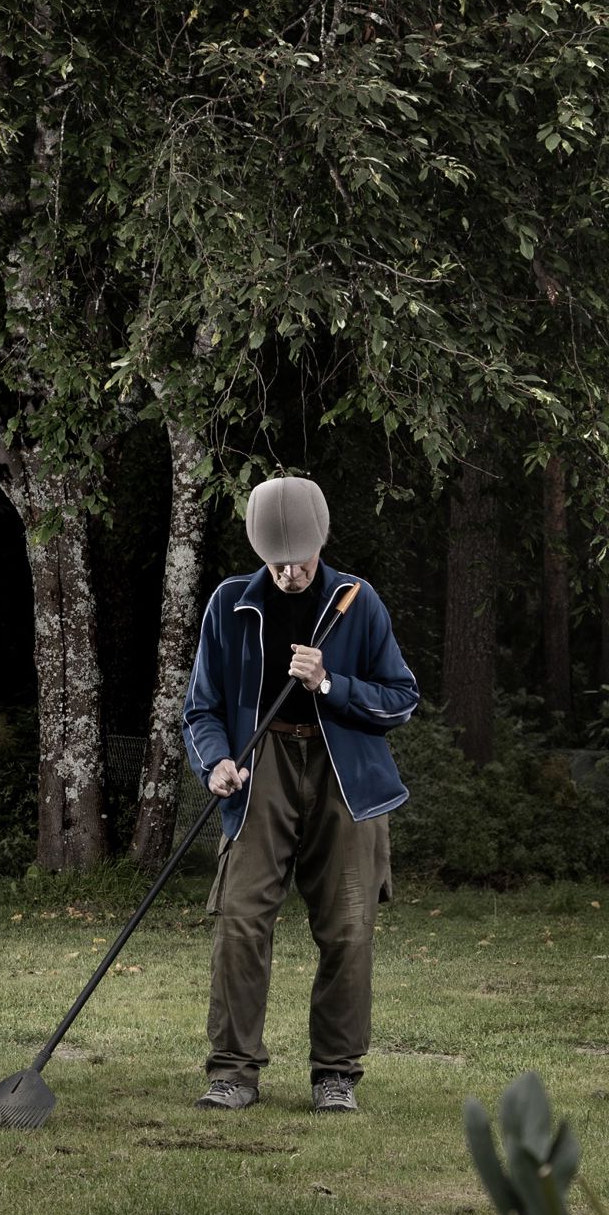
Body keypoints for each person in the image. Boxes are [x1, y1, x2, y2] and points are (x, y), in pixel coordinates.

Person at [182, 475, 418, 1112]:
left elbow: (402, 699)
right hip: (258, 770)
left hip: (346, 780)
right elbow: (200, 709)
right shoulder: (229, 603)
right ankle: (233, 1073)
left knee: (347, 926)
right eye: (276, 559)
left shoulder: (357, 602)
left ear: (322, 540)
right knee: (240, 920)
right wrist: (216, 761)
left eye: (301, 558)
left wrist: (331, 685)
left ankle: (335, 1074)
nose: (289, 571)